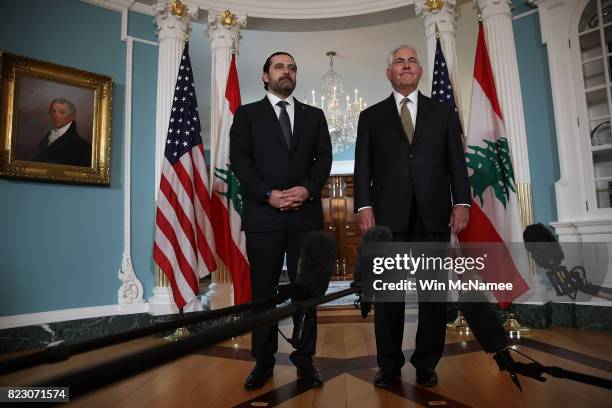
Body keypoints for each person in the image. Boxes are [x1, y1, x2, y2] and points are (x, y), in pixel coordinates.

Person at [353, 45, 470, 388]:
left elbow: (456, 164)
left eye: (411, 61)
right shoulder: (370, 117)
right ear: (389, 73)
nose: (406, 66)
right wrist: (364, 206)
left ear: (419, 70)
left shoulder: (443, 112)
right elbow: (362, 170)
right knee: (388, 297)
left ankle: (426, 362)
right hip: (387, 219)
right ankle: (388, 365)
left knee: (433, 296)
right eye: (398, 62)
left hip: (434, 215)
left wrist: (462, 202)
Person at [230, 52, 332, 390]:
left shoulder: (314, 115)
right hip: (264, 216)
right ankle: (262, 362)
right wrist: (268, 194)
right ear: (265, 76)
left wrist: (306, 189)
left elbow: (324, 159)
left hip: (305, 216)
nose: (286, 72)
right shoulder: (246, 115)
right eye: (279, 67)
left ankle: (305, 362)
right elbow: (240, 162)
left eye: (291, 68)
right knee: (263, 293)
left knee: (307, 291)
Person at [35, 98, 91, 166]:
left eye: (62, 112)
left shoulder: (83, 147)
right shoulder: (44, 140)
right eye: (53, 111)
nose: (56, 116)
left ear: (72, 116)